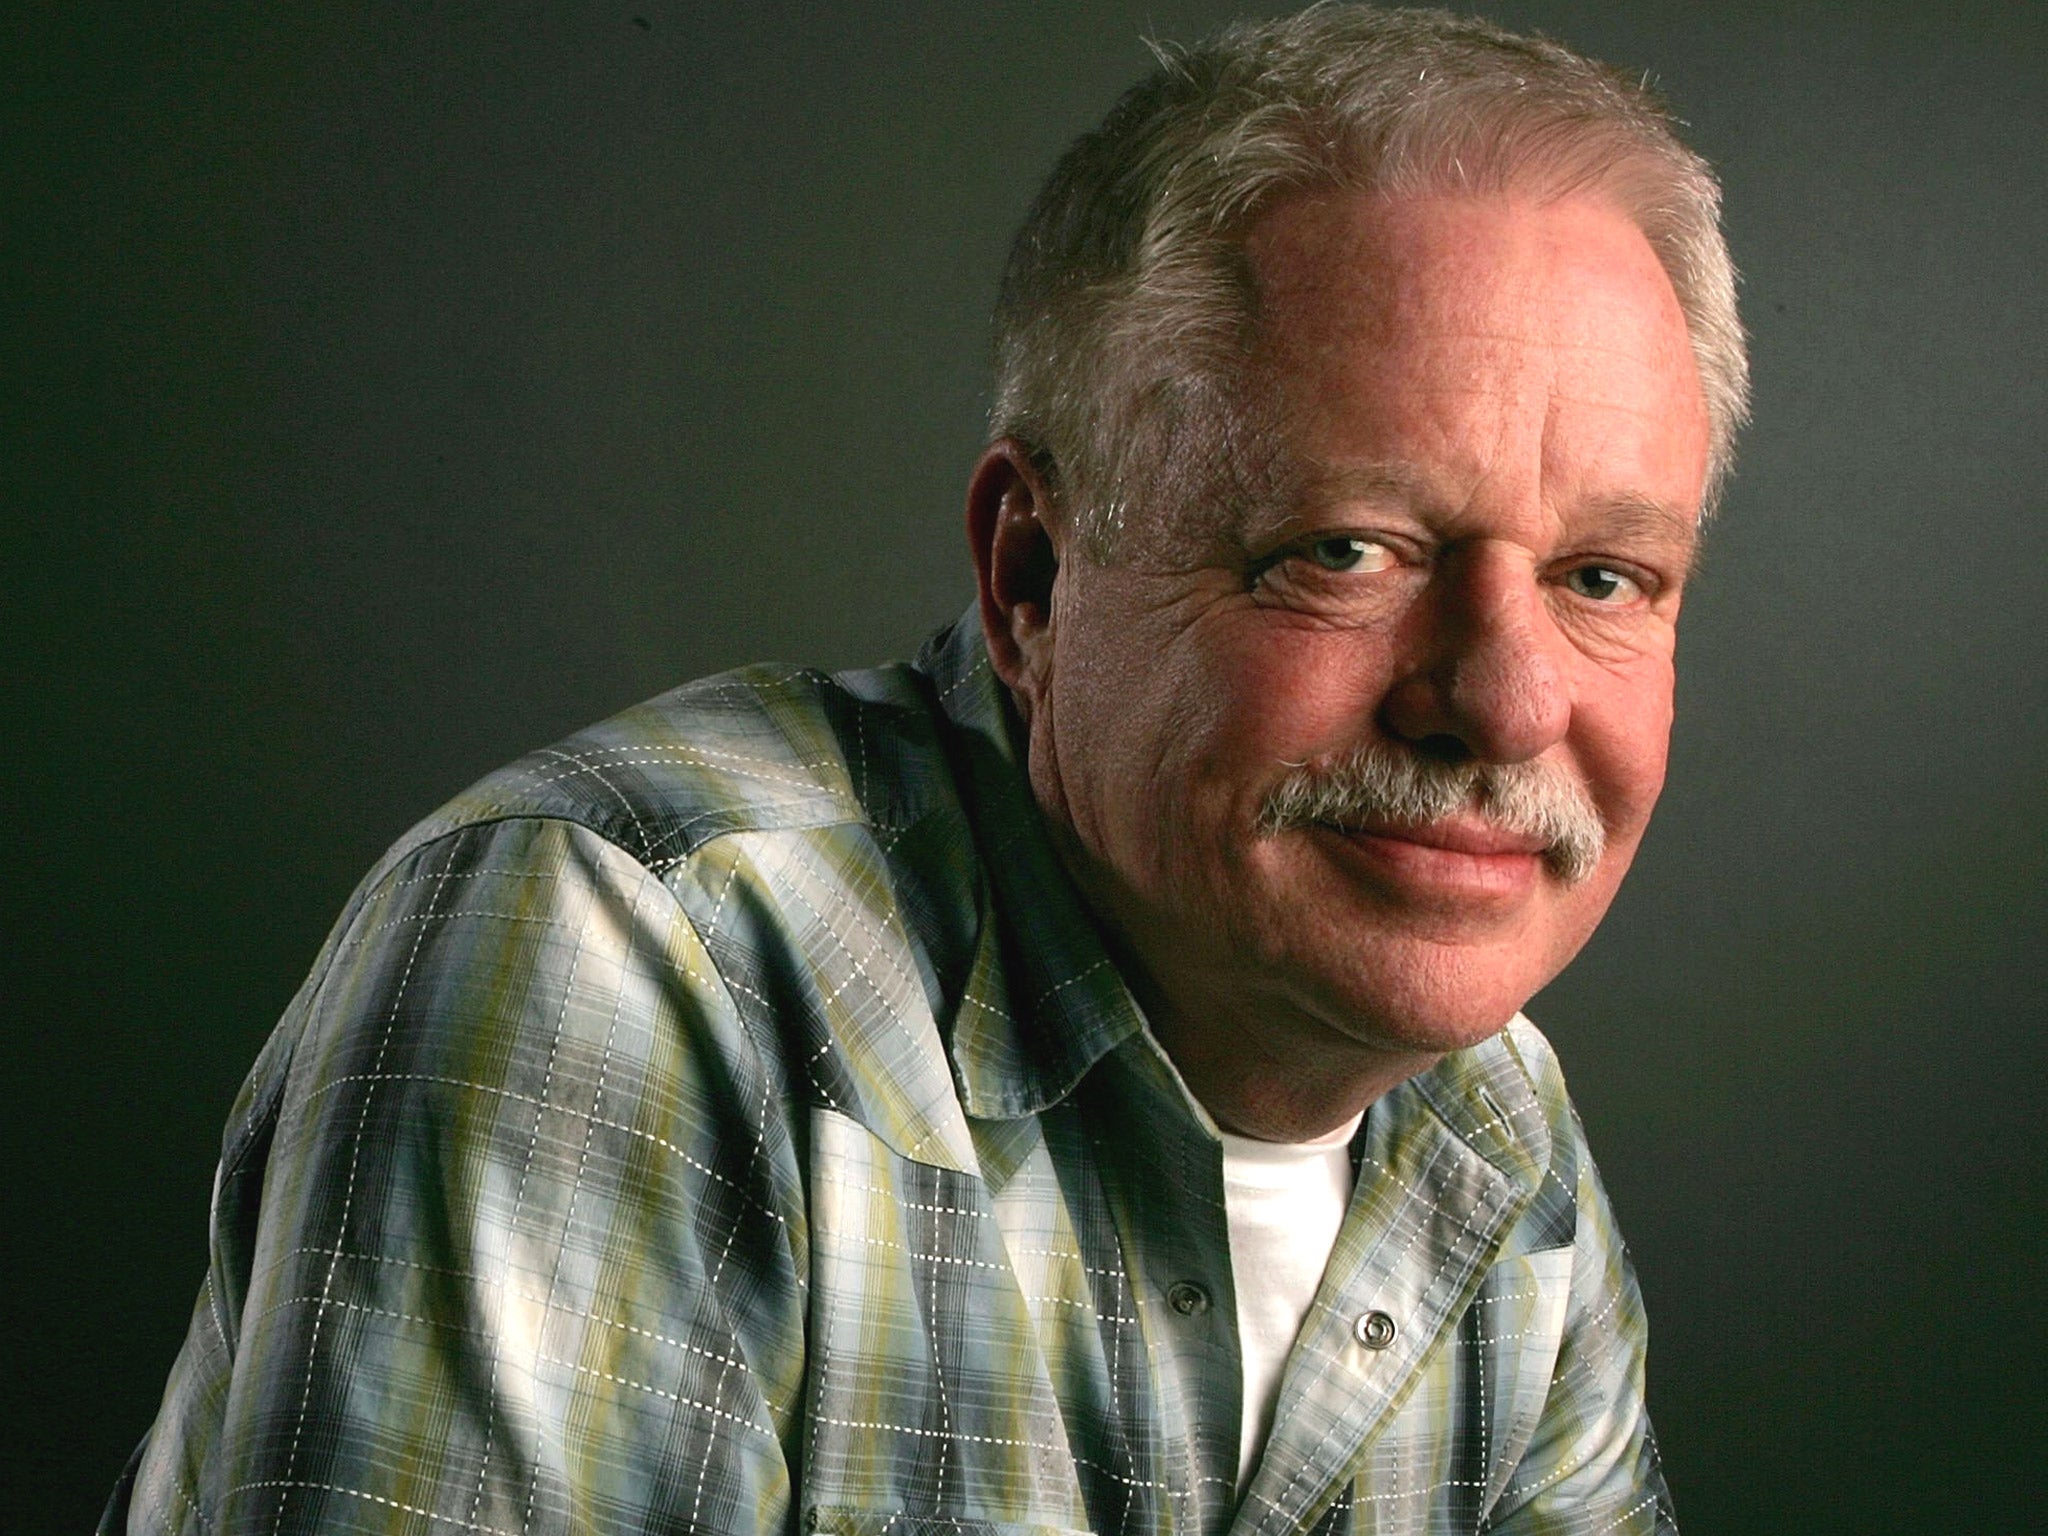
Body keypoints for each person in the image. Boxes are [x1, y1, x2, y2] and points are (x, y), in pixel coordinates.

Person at [106, 7, 1745, 1534]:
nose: (1512, 702)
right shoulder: (634, 964)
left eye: (1605, 577)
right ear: (1033, 579)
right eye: (1348, 551)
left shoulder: (1490, 1123)